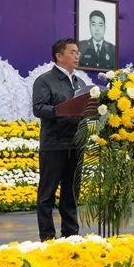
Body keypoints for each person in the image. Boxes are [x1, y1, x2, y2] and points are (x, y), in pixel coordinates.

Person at [32, 38, 86, 241]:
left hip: (76, 144)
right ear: (59, 56)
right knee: (47, 194)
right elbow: (38, 108)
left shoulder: (80, 83)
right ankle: (47, 237)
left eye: (78, 52)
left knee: (71, 194)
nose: (77, 56)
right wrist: (60, 110)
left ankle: (71, 235)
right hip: (54, 145)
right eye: (72, 52)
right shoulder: (45, 80)